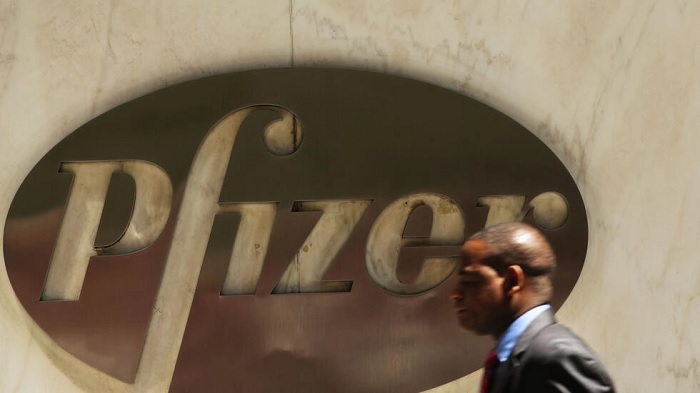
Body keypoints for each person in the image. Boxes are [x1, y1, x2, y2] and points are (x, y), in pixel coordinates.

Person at [450, 222, 615, 393]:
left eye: (469, 282)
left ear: (512, 281)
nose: (455, 293)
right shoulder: (513, 361)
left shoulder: (556, 358)